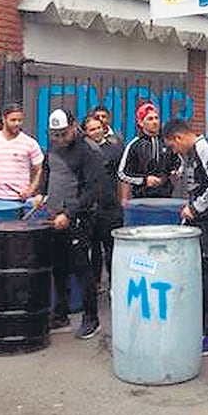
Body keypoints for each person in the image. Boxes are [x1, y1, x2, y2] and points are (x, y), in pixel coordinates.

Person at [162, 118, 208, 356]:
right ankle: (205, 329)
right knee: (203, 277)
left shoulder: (203, 148)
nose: (175, 151)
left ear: (179, 138)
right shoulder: (192, 154)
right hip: (201, 222)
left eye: (173, 146)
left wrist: (196, 208)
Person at [31, 109, 103, 340]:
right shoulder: (53, 146)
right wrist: (41, 192)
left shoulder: (88, 150)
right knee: (58, 267)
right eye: (55, 135)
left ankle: (91, 318)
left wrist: (70, 213)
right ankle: (60, 313)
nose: (60, 139)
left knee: (82, 267)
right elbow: (47, 171)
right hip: (54, 215)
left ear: (73, 127)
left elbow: (93, 189)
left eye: (63, 134)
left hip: (78, 217)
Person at [83, 114, 124, 290]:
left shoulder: (114, 148)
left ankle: (114, 283)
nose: (96, 131)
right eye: (92, 129)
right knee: (93, 248)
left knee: (111, 246)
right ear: (85, 132)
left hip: (110, 204)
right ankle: (95, 283)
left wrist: (123, 199)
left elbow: (122, 176)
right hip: (90, 206)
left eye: (98, 127)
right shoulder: (82, 150)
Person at [0, 103, 44, 201]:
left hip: (18, 199)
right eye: (13, 120)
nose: (17, 123)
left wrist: (30, 191)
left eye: (20, 120)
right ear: (4, 119)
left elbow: (39, 170)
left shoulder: (30, 143)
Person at [117, 101, 179, 202]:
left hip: (166, 198)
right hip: (142, 200)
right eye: (150, 119)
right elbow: (122, 173)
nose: (155, 122)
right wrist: (145, 180)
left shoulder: (168, 142)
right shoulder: (134, 145)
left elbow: (179, 162)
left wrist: (175, 172)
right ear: (141, 123)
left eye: (156, 118)